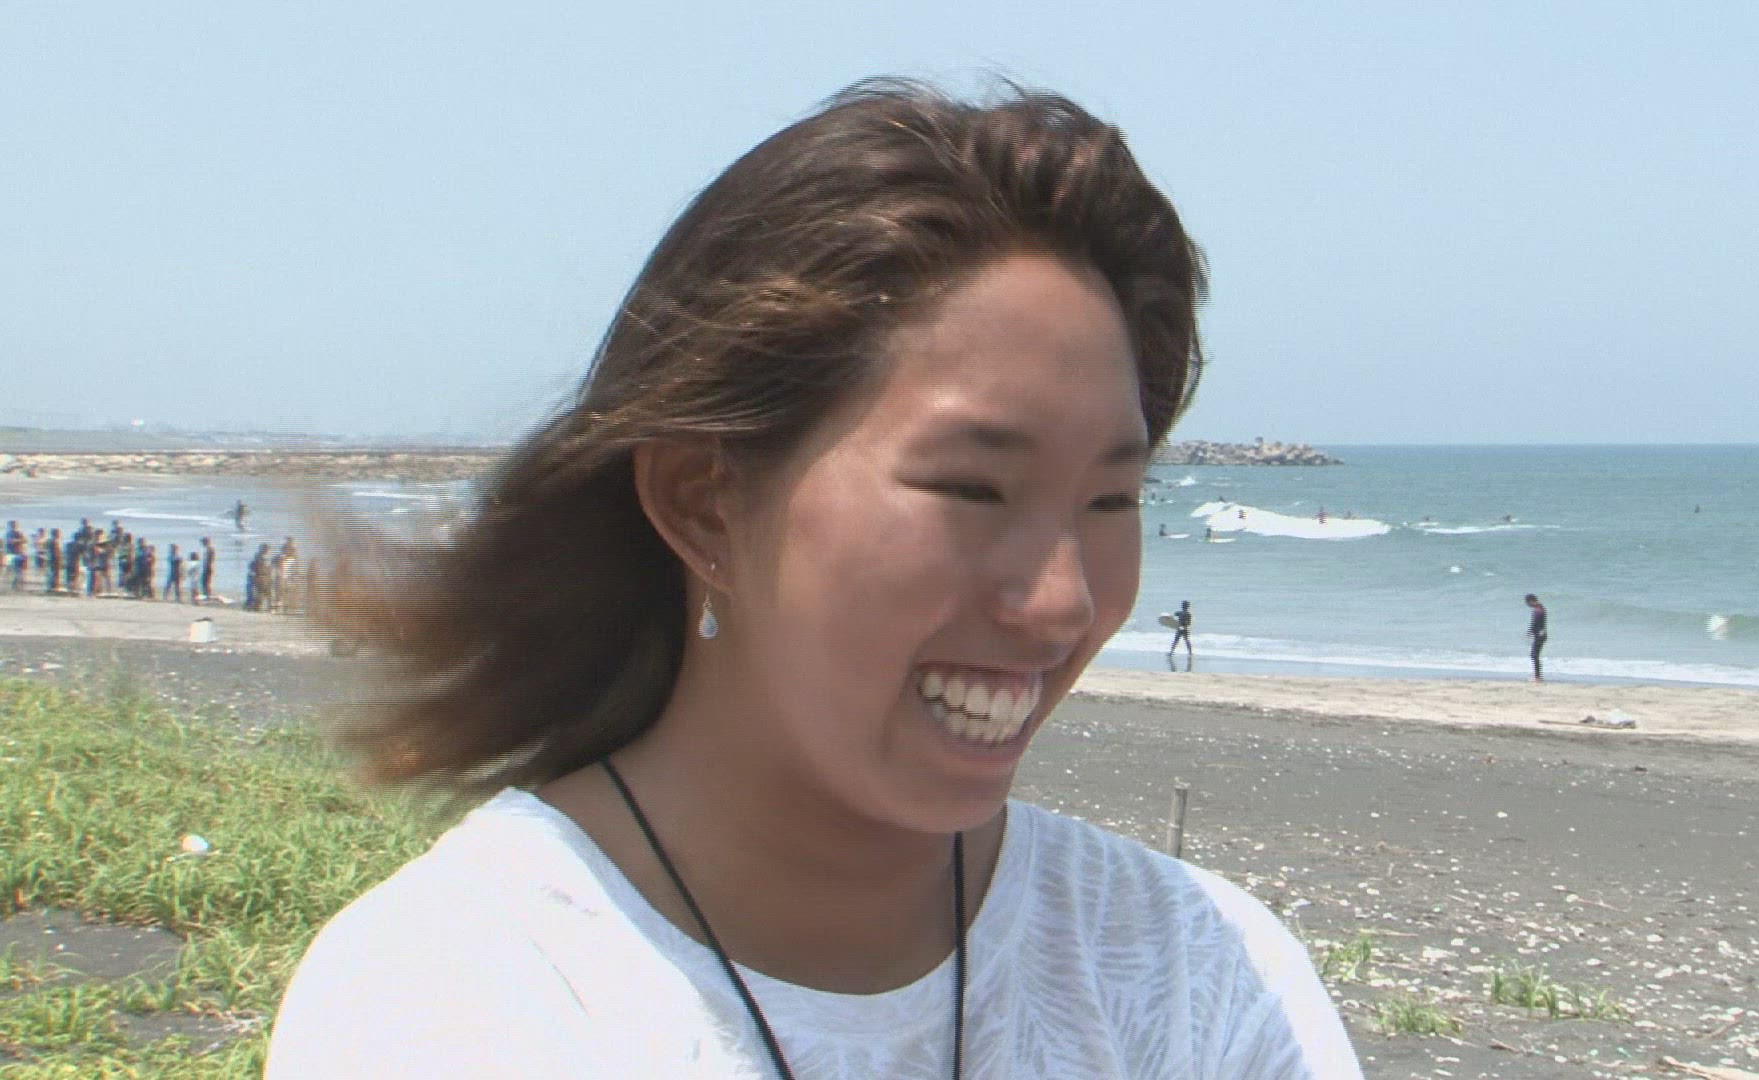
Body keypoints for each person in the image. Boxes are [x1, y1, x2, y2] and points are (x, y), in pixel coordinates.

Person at [269, 82, 1359, 1079]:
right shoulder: (459, 994)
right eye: (974, 488)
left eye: (1111, 501)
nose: (1063, 602)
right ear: (705, 501)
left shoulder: (1198, 977)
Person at [1525, 593, 1548, 682]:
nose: (1527, 605)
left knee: (1534, 655)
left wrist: (1529, 632)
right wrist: (1530, 632)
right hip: (1541, 634)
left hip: (1540, 635)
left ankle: (1537, 677)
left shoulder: (1538, 610)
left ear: (1531, 601)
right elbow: (1536, 623)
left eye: (1527, 603)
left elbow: (1535, 623)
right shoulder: (1540, 608)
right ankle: (1537, 676)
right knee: (1535, 655)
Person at [1167, 599, 1194, 672]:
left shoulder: (1182, 613)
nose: (1183, 606)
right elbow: (1189, 623)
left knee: (1177, 641)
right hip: (1184, 628)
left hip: (1181, 628)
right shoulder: (1187, 613)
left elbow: (1172, 616)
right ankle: (1190, 653)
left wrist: (1168, 618)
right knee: (1186, 640)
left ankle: (1171, 652)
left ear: (1183, 606)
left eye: (1183, 605)